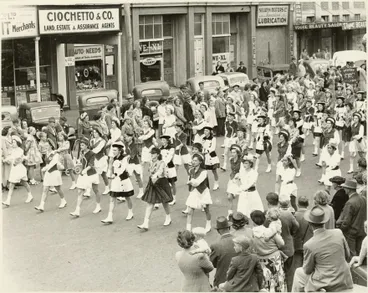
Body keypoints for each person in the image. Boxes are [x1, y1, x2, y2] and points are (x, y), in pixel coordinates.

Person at [292, 205, 353, 292]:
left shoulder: (309, 244)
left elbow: (307, 270)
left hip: (326, 283)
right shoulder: (338, 233)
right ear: (324, 221)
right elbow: (347, 255)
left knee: (298, 272)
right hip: (344, 280)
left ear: (309, 224)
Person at [137, 148, 173, 231]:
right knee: (150, 202)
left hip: (161, 182)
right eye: (151, 154)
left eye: (153, 154)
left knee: (165, 202)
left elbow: (160, 172)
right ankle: (145, 223)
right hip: (153, 183)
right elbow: (150, 172)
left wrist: (155, 176)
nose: (152, 155)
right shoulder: (150, 162)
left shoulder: (162, 163)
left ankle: (168, 217)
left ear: (157, 154)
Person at [251, 210, 286, 292]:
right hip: (275, 259)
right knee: (278, 282)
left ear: (253, 221)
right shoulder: (271, 231)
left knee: (264, 283)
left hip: (260, 260)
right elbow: (281, 244)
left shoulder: (251, 233)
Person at [101, 142, 134, 224]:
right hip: (116, 181)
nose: (113, 151)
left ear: (120, 150)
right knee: (112, 198)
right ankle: (109, 217)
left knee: (127, 197)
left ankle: (130, 212)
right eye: (113, 150)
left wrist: (114, 175)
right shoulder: (113, 158)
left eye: (115, 150)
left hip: (123, 180)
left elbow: (122, 169)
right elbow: (111, 169)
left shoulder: (124, 158)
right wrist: (110, 167)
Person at [69, 138, 102, 217]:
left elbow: (91, 164)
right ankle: (77, 211)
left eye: (83, 145)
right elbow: (81, 162)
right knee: (80, 191)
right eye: (80, 145)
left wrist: (85, 170)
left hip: (92, 174)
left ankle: (98, 206)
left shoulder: (92, 153)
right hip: (83, 174)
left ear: (87, 146)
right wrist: (77, 166)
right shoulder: (82, 152)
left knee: (95, 190)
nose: (81, 146)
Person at [336, 180, 367, 257]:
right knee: (360, 253)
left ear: (348, 189)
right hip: (362, 230)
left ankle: (351, 268)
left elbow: (346, 221)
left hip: (351, 232)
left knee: (350, 254)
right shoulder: (363, 199)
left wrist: (341, 228)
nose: (344, 189)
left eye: (345, 188)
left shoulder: (350, 202)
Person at [2, 136, 34, 207]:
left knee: (23, 183)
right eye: (12, 142)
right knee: (14, 184)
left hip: (19, 169)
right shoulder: (13, 150)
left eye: (14, 142)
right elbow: (11, 157)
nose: (12, 144)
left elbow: (16, 158)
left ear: (17, 143)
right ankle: (8, 200)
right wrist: (5, 159)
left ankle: (29, 195)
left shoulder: (20, 150)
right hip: (14, 169)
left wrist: (7, 159)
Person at [186, 153, 212, 233]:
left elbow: (197, 182)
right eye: (193, 160)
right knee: (190, 210)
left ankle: (208, 224)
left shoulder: (204, 172)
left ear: (200, 162)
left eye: (195, 160)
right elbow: (189, 180)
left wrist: (191, 182)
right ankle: (188, 230)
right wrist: (190, 183)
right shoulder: (191, 170)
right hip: (194, 191)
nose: (193, 162)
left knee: (206, 209)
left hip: (203, 191)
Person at [210, 216, 237, 289]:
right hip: (239, 278)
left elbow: (212, 264)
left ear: (218, 231)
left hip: (222, 279)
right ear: (229, 228)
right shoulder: (239, 240)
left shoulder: (215, 245)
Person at [291, 196, 313, 277]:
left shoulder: (294, 215)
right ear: (308, 204)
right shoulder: (311, 215)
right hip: (308, 243)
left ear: (298, 204)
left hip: (297, 244)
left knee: (297, 267)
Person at [237, 154, 264, 218]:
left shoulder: (254, 173)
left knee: (254, 212)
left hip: (252, 194)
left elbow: (249, 184)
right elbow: (240, 181)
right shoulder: (242, 171)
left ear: (250, 164)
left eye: (246, 163)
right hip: (244, 194)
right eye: (244, 163)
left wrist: (241, 188)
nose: (244, 165)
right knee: (242, 212)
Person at [226, 145, 243, 217]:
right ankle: (230, 214)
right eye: (231, 152)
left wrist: (239, 175)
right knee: (229, 197)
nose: (232, 154)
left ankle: (241, 214)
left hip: (239, 180)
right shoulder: (231, 160)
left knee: (241, 198)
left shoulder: (241, 161)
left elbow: (242, 171)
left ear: (237, 153)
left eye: (234, 152)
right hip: (232, 178)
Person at [160, 135, 177, 205]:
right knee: (164, 183)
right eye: (162, 140)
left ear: (167, 141)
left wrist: (164, 163)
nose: (163, 141)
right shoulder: (160, 148)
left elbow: (169, 157)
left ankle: (174, 198)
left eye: (164, 140)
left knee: (172, 183)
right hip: (163, 167)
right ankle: (166, 197)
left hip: (170, 167)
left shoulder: (171, 148)